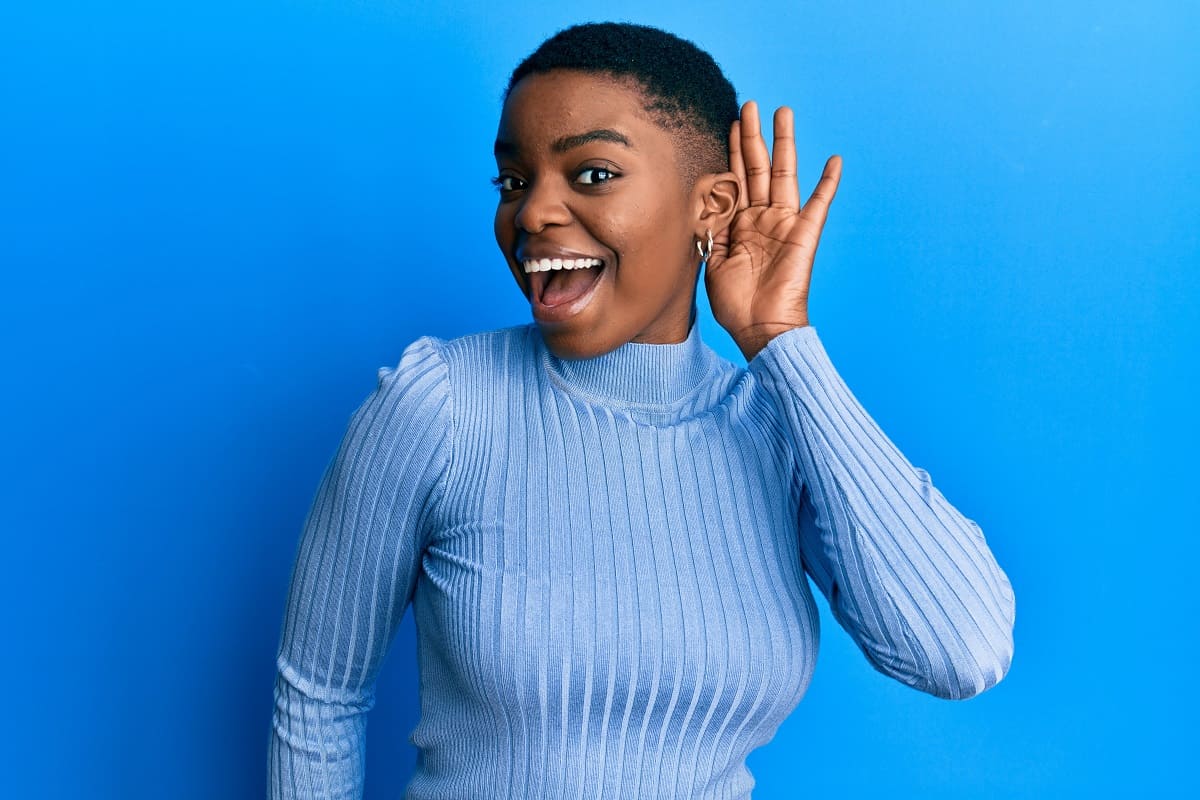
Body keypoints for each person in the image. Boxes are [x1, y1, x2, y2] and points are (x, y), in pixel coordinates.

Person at [267, 21, 1015, 799]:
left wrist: (780, 342)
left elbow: (958, 651)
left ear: (712, 206)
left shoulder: (774, 428)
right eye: (514, 181)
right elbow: (318, 695)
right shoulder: (441, 406)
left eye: (591, 174)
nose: (530, 216)